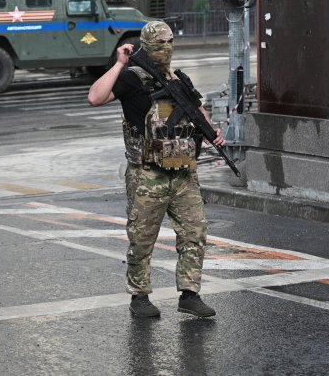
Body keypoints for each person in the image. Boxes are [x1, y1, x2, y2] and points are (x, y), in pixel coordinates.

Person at [87, 20, 225, 318]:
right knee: (142, 237)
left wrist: (212, 130)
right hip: (147, 174)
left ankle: (190, 294)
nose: (167, 48)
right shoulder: (131, 77)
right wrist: (119, 63)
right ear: (147, 46)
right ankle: (139, 297)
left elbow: (197, 109)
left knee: (194, 231)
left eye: (170, 42)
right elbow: (95, 97)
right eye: (160, 43)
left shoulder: (177, 78)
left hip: (183, 172)